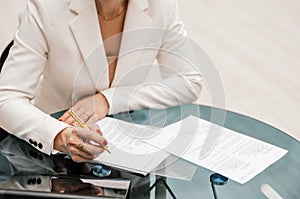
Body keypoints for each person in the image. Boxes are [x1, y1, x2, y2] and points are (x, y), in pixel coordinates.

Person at [0, 0, 202, 162]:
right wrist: (59, 135)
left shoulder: (161, 6)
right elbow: (6, 99)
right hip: (50, 155)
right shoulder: (47, 6)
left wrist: (108, 99)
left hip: (124, 153)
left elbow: (189, 81)